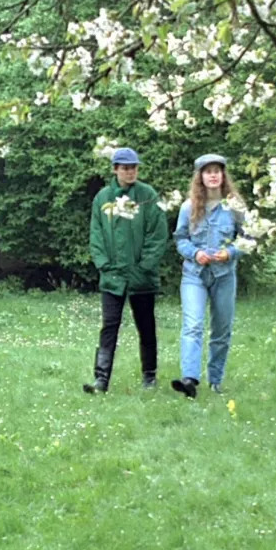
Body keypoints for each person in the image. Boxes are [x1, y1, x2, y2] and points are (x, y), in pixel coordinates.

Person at [82, 147, 169, 394]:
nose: (130, 172)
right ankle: (101, 379)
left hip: (141, 275)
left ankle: (149, 376)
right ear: (115, 169)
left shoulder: (147, 195)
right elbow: (96, 234)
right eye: (125, 168)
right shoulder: (103, 198)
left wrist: (144, 266)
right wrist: (103, 264)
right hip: (113, 276)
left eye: (134, 167)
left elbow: (157, 234)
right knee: (109, 326)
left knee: (146, 326)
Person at [171, 154, 245, 399]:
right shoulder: (188, 207)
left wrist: (230, 252)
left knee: (221, 329)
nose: (213, 175)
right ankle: (189, 379)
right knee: (192, 325)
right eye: (208, 171)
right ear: (200, 177)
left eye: (217, 171)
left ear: (223, 175)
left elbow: (248, 239)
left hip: (224, 276)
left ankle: (215, 380)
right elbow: (180, 238)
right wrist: (195, 253)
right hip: (195, 275)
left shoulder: (235, 207)